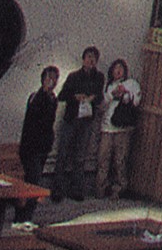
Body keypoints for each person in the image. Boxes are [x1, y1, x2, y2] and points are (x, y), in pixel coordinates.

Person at [51, 46, 105, 203]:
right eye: (88, 57)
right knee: (63, 154)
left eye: (94, 58)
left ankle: (76, 189)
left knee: (80, 156)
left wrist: (92, 98)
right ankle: (57, 189)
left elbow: (100, 97)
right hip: (71, 118)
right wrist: (76, 97)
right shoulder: (74, 76)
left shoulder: (99, 77)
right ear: (83, 59)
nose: (91, 60)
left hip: (87, 120)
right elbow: (62, 95)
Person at [17, 66, 58, 218]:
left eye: (54, 78)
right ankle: (23, 215)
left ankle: (28, 214)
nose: (51, 81)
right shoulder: (35, 96)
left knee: (35, 180)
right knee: (32, 181)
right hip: (30, 147)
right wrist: (43, 92)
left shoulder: (53, 99)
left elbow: (49, 120)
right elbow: (34, 116)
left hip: (43, 146)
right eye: (48, 77)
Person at [98, 58, 141, 199]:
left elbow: (136, 102)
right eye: (115, 68)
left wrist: (125, 93)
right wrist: (112, 95)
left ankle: (119, 188)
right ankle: (101, 188)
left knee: (120, 160)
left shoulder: (131, 83)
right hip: (107, 128)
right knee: (103, 159)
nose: (118, 71)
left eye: (120, 68)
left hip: (123, 129)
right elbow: (101, 106)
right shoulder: (108, 86)